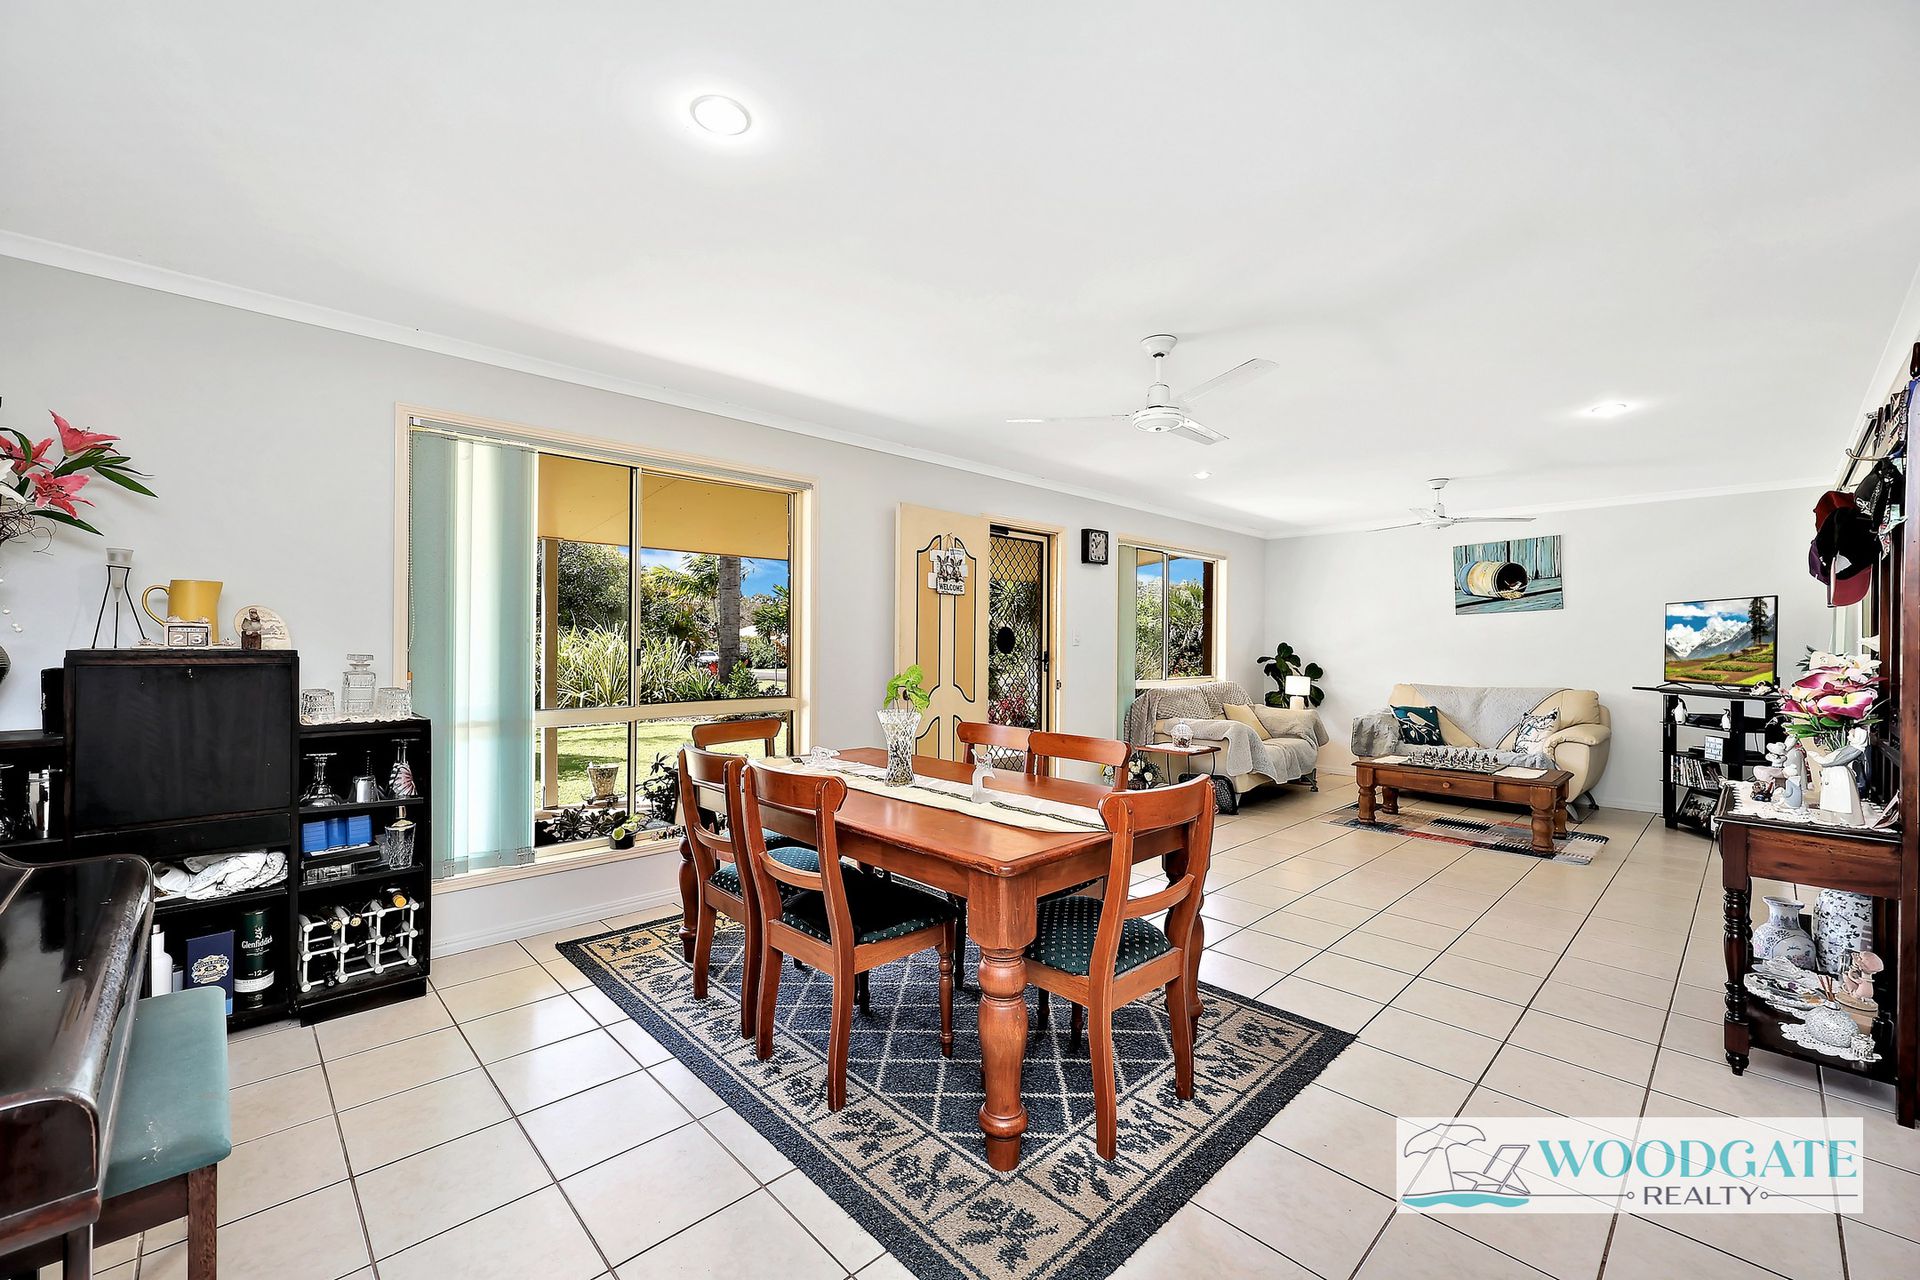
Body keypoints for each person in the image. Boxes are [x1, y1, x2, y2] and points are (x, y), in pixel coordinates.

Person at [1811, 728, 1868, 822]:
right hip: (1835, 772)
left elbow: (1837, 761)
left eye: (1851, 735)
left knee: (1841, 798)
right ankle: (1832, 816)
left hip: (1839, 774)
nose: (1848, 737)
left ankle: (1842, 817)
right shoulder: (1850, 747)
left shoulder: (1854, 749)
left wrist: (1819, 759)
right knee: (1834, 796)